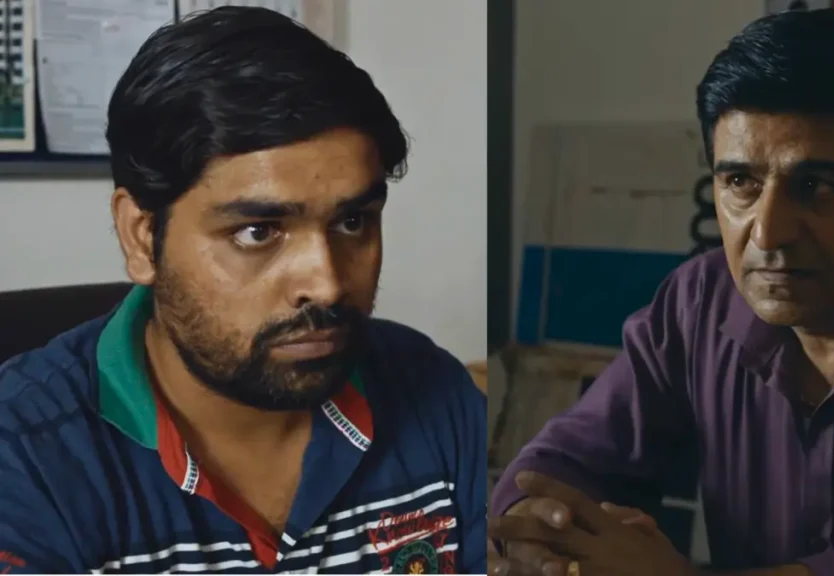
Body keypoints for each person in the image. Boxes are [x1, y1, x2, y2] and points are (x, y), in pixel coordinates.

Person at [489, 9, 834, 576]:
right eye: (740, 183)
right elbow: (562, 461)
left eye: (814, 186)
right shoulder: (700, 301)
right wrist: (538, 530)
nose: (766, 234)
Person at [0, 7, 486, 574]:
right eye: (258, 232)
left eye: (353, 222)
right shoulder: (23, 456)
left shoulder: (434, 392)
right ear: (141, 236)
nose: (326, 284)